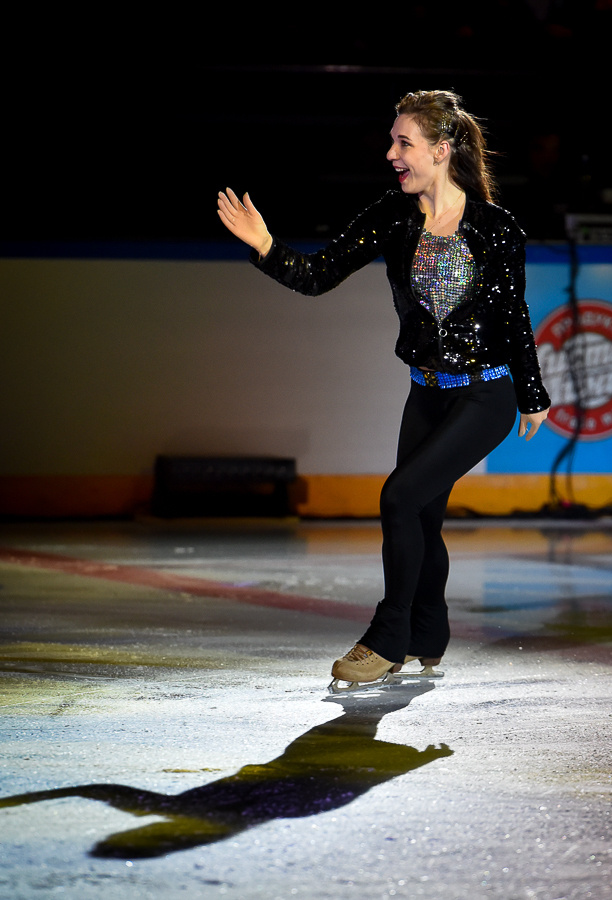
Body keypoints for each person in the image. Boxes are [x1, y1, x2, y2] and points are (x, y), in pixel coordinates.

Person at [217, 89, 550, 691]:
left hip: (484, 396)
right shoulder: (391, 216)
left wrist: (531, 394)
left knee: (398, 498)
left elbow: (513, 314)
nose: (390, 152)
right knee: (420, 519)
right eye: (391, 140)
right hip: (426, 393)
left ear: (442, 150)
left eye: (404, 142)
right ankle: (429, 632)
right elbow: (318, 277)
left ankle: (386, 637)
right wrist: (265, 246)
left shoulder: (496, 228)